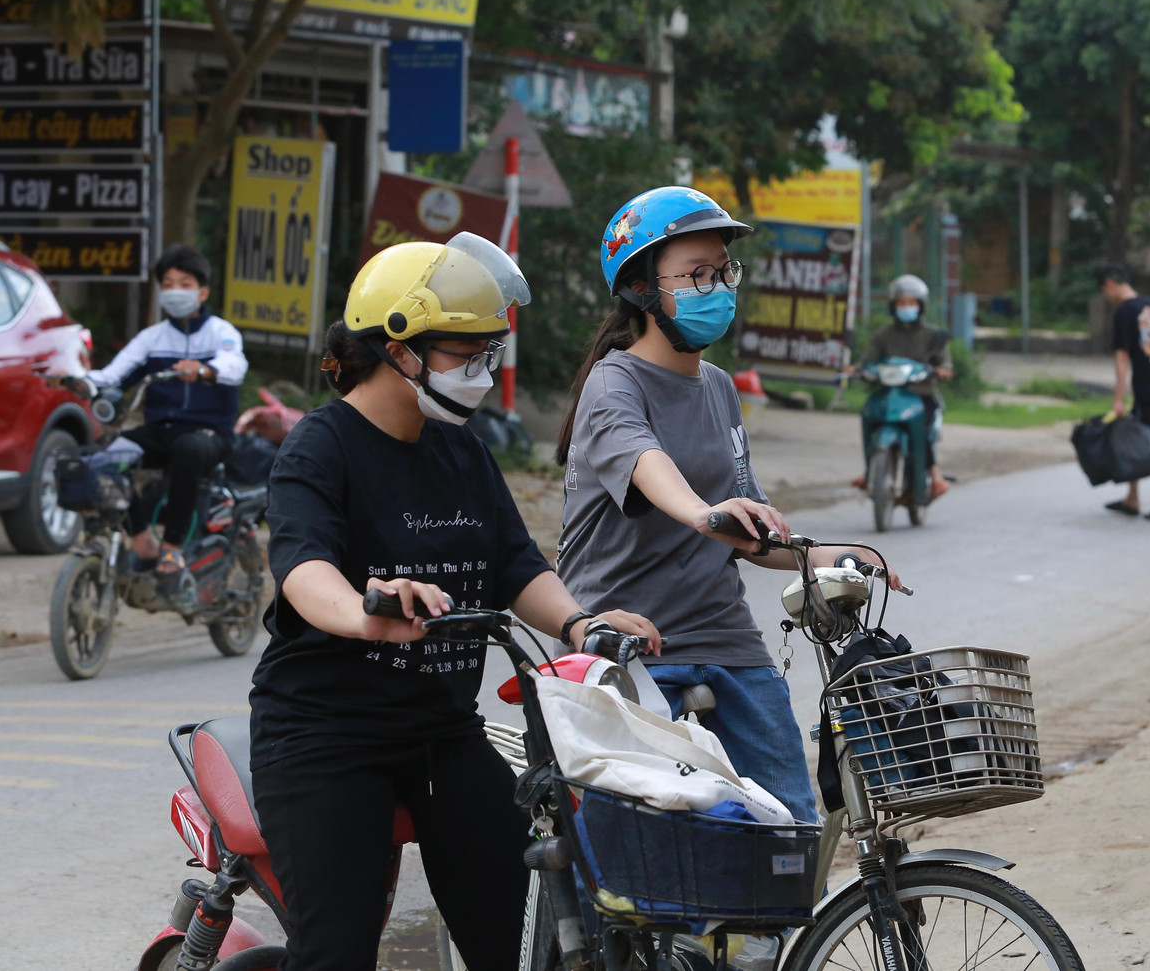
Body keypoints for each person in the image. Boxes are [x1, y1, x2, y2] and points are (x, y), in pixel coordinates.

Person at [249, 233, 659, 971]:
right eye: (466, 351)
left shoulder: (461, 447)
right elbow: (303, 571)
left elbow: (512, 563)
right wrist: (368, 610)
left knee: (526, 942)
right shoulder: (320, 446)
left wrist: (580, 622)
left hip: (442, 732)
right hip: (325, 737)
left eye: (489, 352)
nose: (483, 371)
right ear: (400, 348)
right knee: (335, 955)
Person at [553, 186, 900, 824]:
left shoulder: (717, 387)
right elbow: (651, 469)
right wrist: (698, 512)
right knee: (627, 847)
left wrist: (833, 555)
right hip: (626, 637)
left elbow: (751, 533)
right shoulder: (614, 383)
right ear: (640, 289)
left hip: (725, 635)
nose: (718, 288)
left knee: (791, 824)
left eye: (723, 273)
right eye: (697, 275)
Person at [86, 244, 248, 588]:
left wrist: (204, 371)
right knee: (107, 458)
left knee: (188, 451)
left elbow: (235, 367)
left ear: (202, 292)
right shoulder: (152, 338)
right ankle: (143, 539)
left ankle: (172, 548)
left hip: (210, 434)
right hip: (161, 431)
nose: (175, 290)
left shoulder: (222, 332)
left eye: (185, 283)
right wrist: (73, 378)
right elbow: (112, 375)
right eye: (169, 283)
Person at [847, 274, 953, 499]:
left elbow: (945, 364)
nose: (907, 307)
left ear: (921, 305)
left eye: (912, 303)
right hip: (888, 393)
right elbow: (867, 360)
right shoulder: (883, 335)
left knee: (922, 429)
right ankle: (870, 470)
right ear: (893, 306)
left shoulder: (933, 335)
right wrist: (857, 369)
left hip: (921, 395)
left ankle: (935, 476)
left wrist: (941, 370)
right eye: (902, 303)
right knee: (868, 414)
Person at [1097, 263, 1150, 521]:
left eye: (1104, 290)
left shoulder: (1124, 312)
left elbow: (1122, 359)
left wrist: (1117, 399)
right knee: (1138, 436)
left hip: (1148, 386)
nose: (1106, 296)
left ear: (1110, 284)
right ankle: (1132, 497)